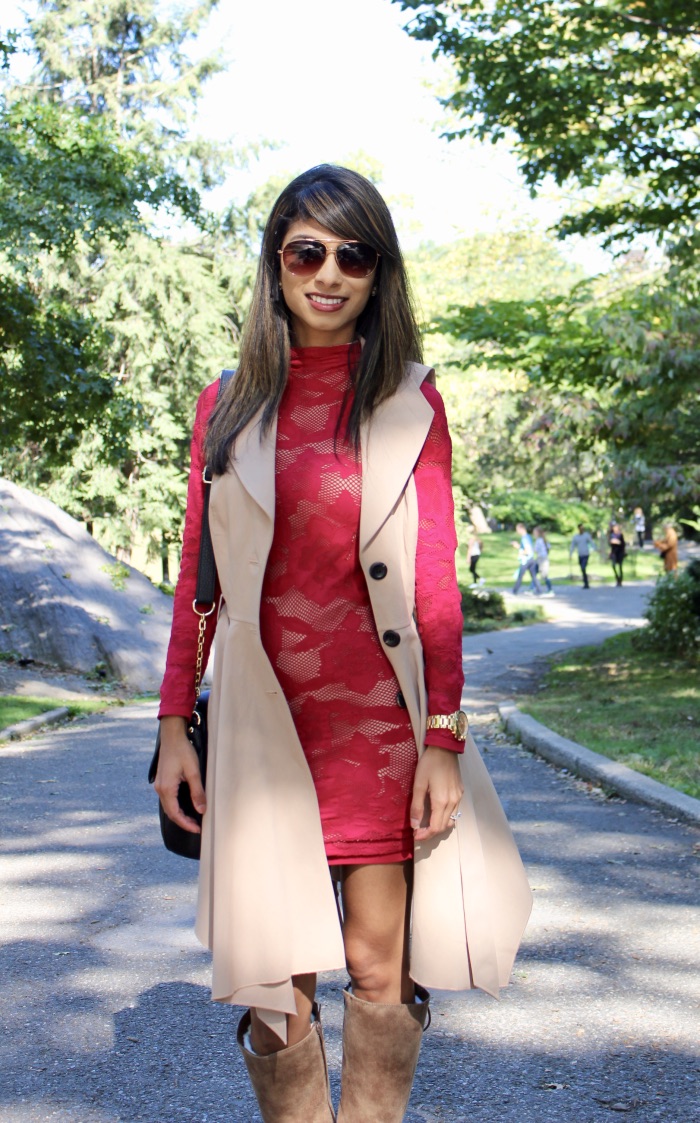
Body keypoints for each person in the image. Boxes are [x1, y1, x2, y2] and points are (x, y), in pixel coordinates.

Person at [154, 166, 531, 1123]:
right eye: (306, 251)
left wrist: (443, 736)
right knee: (278, 983)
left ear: (378, 271)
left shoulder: (411, 401)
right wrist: (171, 724)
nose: (329, 273)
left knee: (377, 964)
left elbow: (436, 581)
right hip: (259, 721)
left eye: (352, 254)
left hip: (378, 724)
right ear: (276, 263)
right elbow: (197, 578)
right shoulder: (226, 405)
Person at [511, 522, 542, 594]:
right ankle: (539, 590)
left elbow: (527, 550)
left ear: (521, 529)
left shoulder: (524, 538)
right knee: (534, 576)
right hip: (531, 559)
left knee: (520, 576)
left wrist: (519, 550)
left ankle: (514, 591)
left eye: (517, 530)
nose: (517, 532)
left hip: (526, 560)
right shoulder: (528, 536)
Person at [569, 523, 596, 588]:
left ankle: (586, 582)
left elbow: (591, 542)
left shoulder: (586, 536)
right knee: (582, 568)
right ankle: (585, 582)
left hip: (586, 554)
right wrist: (570, 553)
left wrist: (595, 549)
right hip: (580, 554)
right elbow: (573, 545)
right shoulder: (576, 537)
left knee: (583, 567)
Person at [533, 526, 554, 594]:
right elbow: (548, 548)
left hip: (541, 559)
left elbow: (535, 550)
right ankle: (533, 588)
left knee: (541, 575)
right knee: (536, 573)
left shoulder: (538, 541)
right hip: (544, 558)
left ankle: (549, 589)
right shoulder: (544, 540)